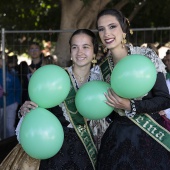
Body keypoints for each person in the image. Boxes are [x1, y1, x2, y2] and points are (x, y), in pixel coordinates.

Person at [0, 29, 109, 170]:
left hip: (93, 150)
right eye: (74, 47)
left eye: (85, 47)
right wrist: (25, 111)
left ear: (94, 51)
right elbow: (38, 112)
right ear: (70, 51)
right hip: (55, 150)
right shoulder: (54, 77)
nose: (79, 52)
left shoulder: (103, 80)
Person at [96, 9, 170, 169]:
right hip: (117, 139)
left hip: (150, 137)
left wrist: (131, 106)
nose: (106, 33)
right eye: (101, 29)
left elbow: (164, 99)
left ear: (123, 30)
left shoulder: (145, 56)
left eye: (112, 26)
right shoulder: (100, 69)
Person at [0, 53, 22, 139]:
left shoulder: (11, 73)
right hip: (0, 105)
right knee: (1, 127)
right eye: (0, 58)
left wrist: (17, 101)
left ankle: (11, 145)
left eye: (4, 58)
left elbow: (18, 88)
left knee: (9, 127)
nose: (2, 60)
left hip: (11, 103)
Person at [159, 49, 170, 131]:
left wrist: (166, 112)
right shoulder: (165, 80)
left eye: (169, 60)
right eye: (166, 60)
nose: (166, 63)